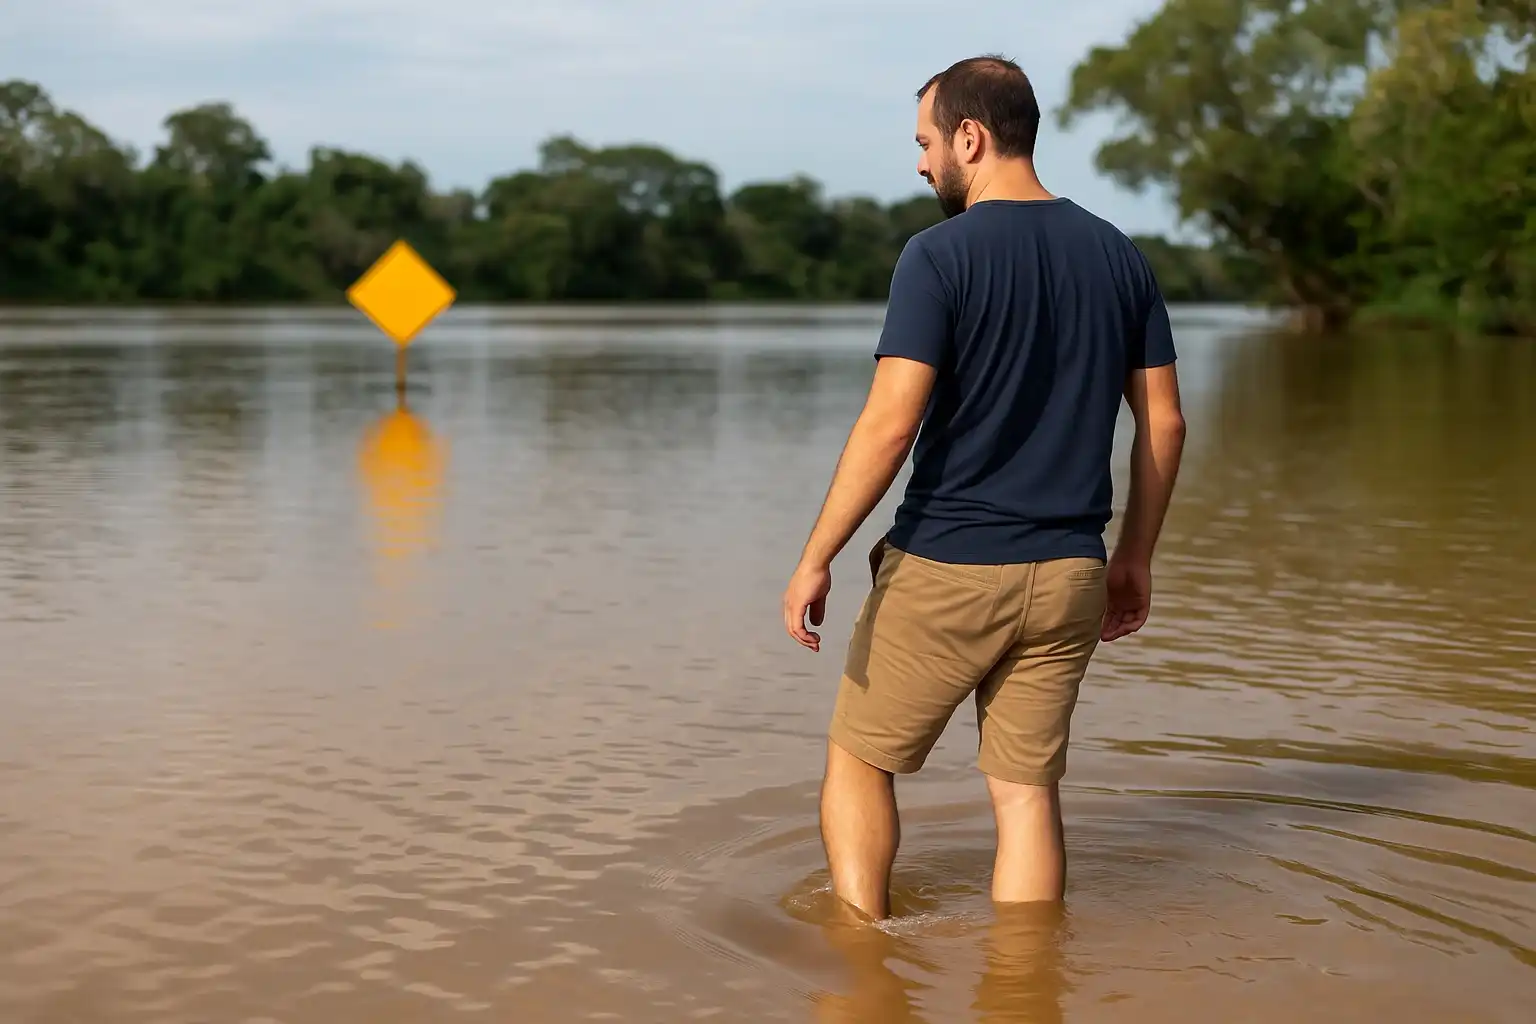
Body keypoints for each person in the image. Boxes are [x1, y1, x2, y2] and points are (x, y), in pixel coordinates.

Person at [781, 54, 1186, 920]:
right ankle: (1026, 988)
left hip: (950, 564)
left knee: (860, 761)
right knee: (1026, 794)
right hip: (1071, 572)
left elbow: (891, 424)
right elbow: (1166, 423)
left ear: (972, 136)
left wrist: (817, 556)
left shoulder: (936, 257)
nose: (921, 163)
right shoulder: (1122, 257)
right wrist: (1135, 558)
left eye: (927, 142)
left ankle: (862, 965)